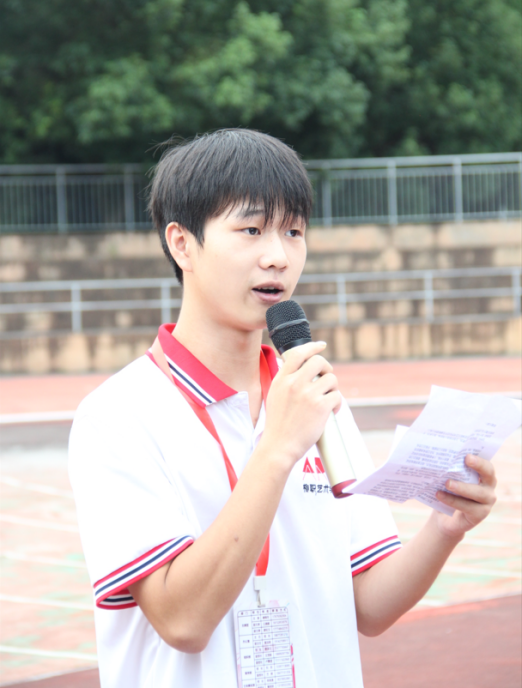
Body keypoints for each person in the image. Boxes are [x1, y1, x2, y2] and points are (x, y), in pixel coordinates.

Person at [69, 129, 497, 688]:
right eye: (251, 230)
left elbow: (370, 604)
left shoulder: (315, 398)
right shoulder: (119, 415)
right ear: (182, 244)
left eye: (294, 231)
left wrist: (446, 526)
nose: (278, 256)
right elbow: (182, 620)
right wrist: (276, 449)